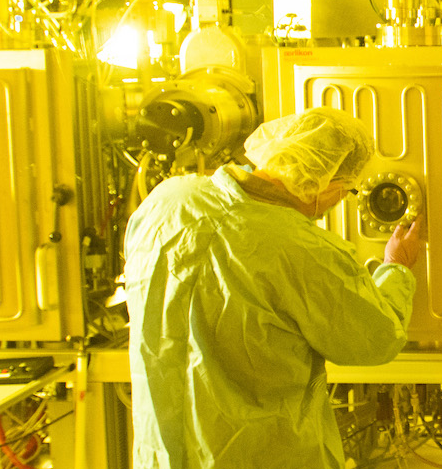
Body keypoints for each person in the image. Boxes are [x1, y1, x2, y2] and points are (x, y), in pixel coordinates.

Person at [121, 107, 425, 469]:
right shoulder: (300, 248)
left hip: (159, 454)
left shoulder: (166, 200)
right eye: (345, 191)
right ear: (326, 183)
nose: (336, 203)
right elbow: (375, 338)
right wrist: (396, 268)